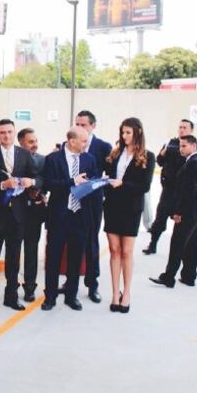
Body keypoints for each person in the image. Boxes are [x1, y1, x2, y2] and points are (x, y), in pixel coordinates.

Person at [41, 127, 101, 311]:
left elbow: (93, 183)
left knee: (76, 259)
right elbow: (48, 184)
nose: (86, 144)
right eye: (83, 141)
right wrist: (72, 182)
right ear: (72, 141)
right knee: (53, 259)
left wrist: (97, 183)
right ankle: (50, 297)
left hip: (80, 217)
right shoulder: (53, 159)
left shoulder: (89, 159)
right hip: (59, 216)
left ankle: (71, 296)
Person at [0, 119, 39, 310]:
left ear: (14, 133)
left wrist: (30, 181)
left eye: (9, 132)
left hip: (18, 214)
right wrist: (1, 185)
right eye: (2, 132)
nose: (6, 135)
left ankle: (11, 296)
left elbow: (38, 177)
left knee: (13, 257)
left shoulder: (24, 154)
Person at [101, 118, 155, 313]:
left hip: (131, 208)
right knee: (114, 250)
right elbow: (106, 175)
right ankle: (115, 293)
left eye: (128, 133)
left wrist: (122, 184)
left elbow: (145, 186)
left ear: (138, 133)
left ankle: (127, 293)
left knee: (127, 252)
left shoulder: (148, 156)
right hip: (113, 207)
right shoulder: (115, 153)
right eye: (122, 133)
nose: (124, 137)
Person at [150, 134, 197, 289]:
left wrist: (179, 212)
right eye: (180, 146)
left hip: (189, 212)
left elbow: (188, 191)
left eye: (184, 146)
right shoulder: (196, 162)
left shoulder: (194, 163)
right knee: (191, 245)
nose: (181, 149)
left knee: (177, 244)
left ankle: (169, 277)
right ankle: (189, 276)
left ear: (194, 146)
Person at [74, 110, 112, 303]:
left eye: (83, 125)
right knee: (73, 242)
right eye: (77, 124)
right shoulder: (70, 144)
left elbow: (110, 174)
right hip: (73, 200)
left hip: (94, 202)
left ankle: (92, 284)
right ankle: (71, 282)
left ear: (93, 126)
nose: (80, 128)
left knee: (91, 243)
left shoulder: (103, 147)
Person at [143, 119, 194, 255]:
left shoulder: (195, 146)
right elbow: (159, 161)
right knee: (160, 218)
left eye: (185, 127)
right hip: (168, 190)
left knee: (182, 223)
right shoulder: (169, 143)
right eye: (180, 127)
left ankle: (181, 250)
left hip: (183, 191)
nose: (182, 129)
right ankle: (152, 244)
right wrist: (162, 154)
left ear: (191, 130)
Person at [17, 128, 47, 302]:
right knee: (13, 251)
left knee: (31, 250)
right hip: (16, 211)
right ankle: (12, 286)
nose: (35, 145)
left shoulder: (43, 160)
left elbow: (46, 180)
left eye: (36, 141)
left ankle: (30, 287)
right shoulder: (14, 158)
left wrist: (37, 188)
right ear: (21, 143)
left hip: (35, 212)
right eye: (30, 142)